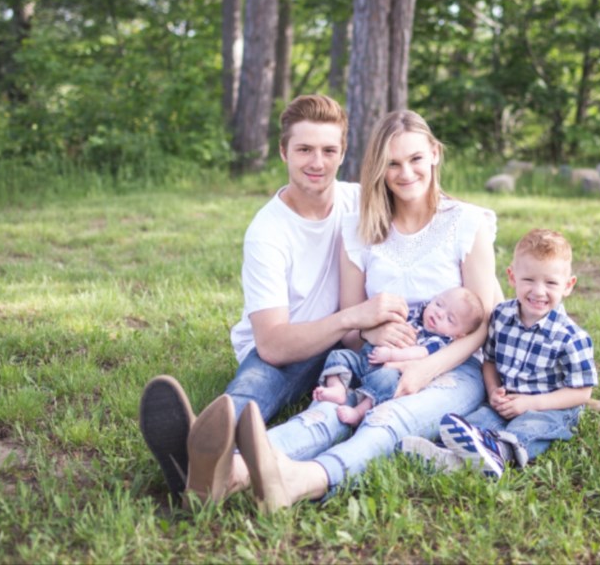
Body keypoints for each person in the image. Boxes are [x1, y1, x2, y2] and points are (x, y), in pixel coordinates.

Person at [187, 109, 504, 512]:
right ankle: (229, 470)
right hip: (371, 360)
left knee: (388, 420)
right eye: (392, 163)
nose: (405, 172)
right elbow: (351, 323)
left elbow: (484, 323)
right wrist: (370, 336)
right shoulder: (360, 226)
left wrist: (428, 367)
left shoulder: (467, 223)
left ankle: (306, 478)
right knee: (329, 409)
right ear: (377, 167)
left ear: (435, 155)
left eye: (415, 159)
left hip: (453, 367)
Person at [138, 95, 413, 503]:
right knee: (256, 384)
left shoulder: (361, 201)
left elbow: (427, 213)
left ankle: (199, 468)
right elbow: (272, 344)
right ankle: (202, 448)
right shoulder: (268, 231)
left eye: (328, 150)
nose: (316, 162)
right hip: (290, 344)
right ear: (284, 151)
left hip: (349, 348)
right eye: (304, 149)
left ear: (343, 153)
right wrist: (352, 316)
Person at [402, 228, 598, 478]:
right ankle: (447, 453)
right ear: (512, 277)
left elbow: (582, 392)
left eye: (550, 283)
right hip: (506, 400)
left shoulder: (572, 338)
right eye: (529, 280)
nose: (538, 291)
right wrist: (494, 391)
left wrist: (532, 403)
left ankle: (500, 452)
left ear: (568, 285)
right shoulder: (501, 317)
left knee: (530, 426)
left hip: (550, 406)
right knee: (479, 419)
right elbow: (490, 361)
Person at [314, 286, 485, 426]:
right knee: (339, 356)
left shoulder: (438, 340)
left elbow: (417, 354)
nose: (439, 313)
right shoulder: (416, 315)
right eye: (439, 304)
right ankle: (337, 389)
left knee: (386, 381)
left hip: (386, 368)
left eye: (450, 319)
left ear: (458, 335)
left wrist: (391, 354)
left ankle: (359, 412)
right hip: (365, 359)